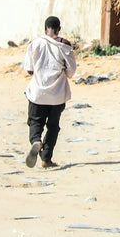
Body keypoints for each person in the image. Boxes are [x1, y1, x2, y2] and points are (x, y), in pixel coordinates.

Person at [23, 16, 77, 168]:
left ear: (45, 28)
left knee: (35, 122)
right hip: (57, 95)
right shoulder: (64, 45)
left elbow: (29, 69)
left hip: (38, 93)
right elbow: (71, 71)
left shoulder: (35, 43)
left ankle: (35, 141)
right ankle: (46, 159)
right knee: (53, 127)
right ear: (59, 29)